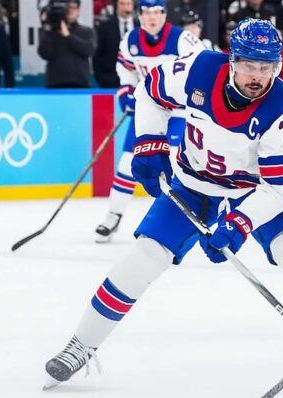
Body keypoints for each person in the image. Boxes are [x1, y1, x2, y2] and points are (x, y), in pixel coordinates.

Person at [44, 19, 283, 395]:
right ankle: (81, 345)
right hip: (193, 185)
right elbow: (150, 92)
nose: (258, 77)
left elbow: (282, 189)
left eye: (267, 67)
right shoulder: (198, 69)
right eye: (249, 65)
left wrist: (240, 222)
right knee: (143, 257)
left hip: (255, 192)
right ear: (232, 59)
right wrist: (149, 143)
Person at [94, 0, 203, 243]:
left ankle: (173, 223)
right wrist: (127, 91)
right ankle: (113, 215)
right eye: (146, 13)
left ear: (164, 14)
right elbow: (126, 70)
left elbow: (202, 69)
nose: (151, 17)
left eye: (156, 12)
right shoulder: (130, 40)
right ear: (140, 15)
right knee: (127, 163)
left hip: (178, 112)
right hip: (148, 110)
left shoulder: (183, 40)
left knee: (174, 164)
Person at [37, 0, 97, 88]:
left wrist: (68, 36)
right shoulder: (51, 32)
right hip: (54, 85)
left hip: (80, 84)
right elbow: (44, 54)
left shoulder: (87, 31)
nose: (70, 11)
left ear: (78, 10)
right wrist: (47, 28)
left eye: (74, 7)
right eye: (67, 8)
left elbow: (89, 50)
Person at [93, 0, 137, 88]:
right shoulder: (105, 27)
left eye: (128, 4)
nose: (125, 7)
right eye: (122, 3)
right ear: (117, 5)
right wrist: (102, 79)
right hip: (110, 82)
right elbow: (97, 56)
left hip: (137, 81)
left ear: (133, 6)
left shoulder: (141, 27)